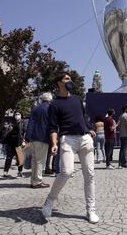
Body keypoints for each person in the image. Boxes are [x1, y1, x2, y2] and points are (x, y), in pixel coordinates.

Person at [41, 72, 99, 224]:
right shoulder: (54, 104)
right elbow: (53, 127)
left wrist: (89, 127)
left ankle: (90, 209)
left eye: (70, 78)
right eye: (66, 79)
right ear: (59, 83)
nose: (70, 80)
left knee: (90, 175)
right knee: (66, 171)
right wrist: (54, 144)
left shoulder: (77, 99)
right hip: (68, 139)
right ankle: (50, 200)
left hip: (85, 138)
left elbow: (83, 116)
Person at [25, 92, 53, 188]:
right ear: (50, 100)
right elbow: (50, 125)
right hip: (43, 137)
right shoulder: (49, 109)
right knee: (40, 160)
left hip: (33, 137)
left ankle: (33, 180)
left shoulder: (35, 108)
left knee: (34, 160)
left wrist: (27, 137)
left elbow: (31, 122)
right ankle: (38, 181)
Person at [1, 111, 26, 178]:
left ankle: (20, 172)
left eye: (18, 114)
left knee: (20, 158)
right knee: (9, 158)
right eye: (16, 114)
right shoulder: (11, 123)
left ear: (21, 115)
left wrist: (24, 141)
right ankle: (5, 172)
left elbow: (24, 132)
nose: (17, 115)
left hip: (19, 143)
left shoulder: (23, 123)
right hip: (11, 142)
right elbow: (6, 132)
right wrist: (9, 128)